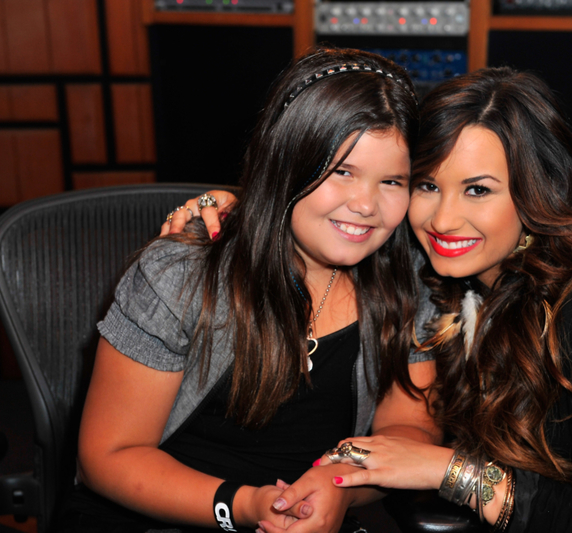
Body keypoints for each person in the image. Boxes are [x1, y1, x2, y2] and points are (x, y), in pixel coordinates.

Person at [187, 68, 572, 533]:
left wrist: (449, 470)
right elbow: (338, 203)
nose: (442, 220)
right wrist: (241, 208)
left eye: (478, 190)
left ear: (536, 191)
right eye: (425, 185)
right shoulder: (426, 273)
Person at [58, 47, 442, 533]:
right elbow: (107, 456)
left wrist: (340, 483)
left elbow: (409, 430)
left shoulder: (409, 280)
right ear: (287, 162)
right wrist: (244, 507)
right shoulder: (183, 274)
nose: (366, 204)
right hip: (155, 513)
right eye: (341, 171)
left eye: (392, 180)